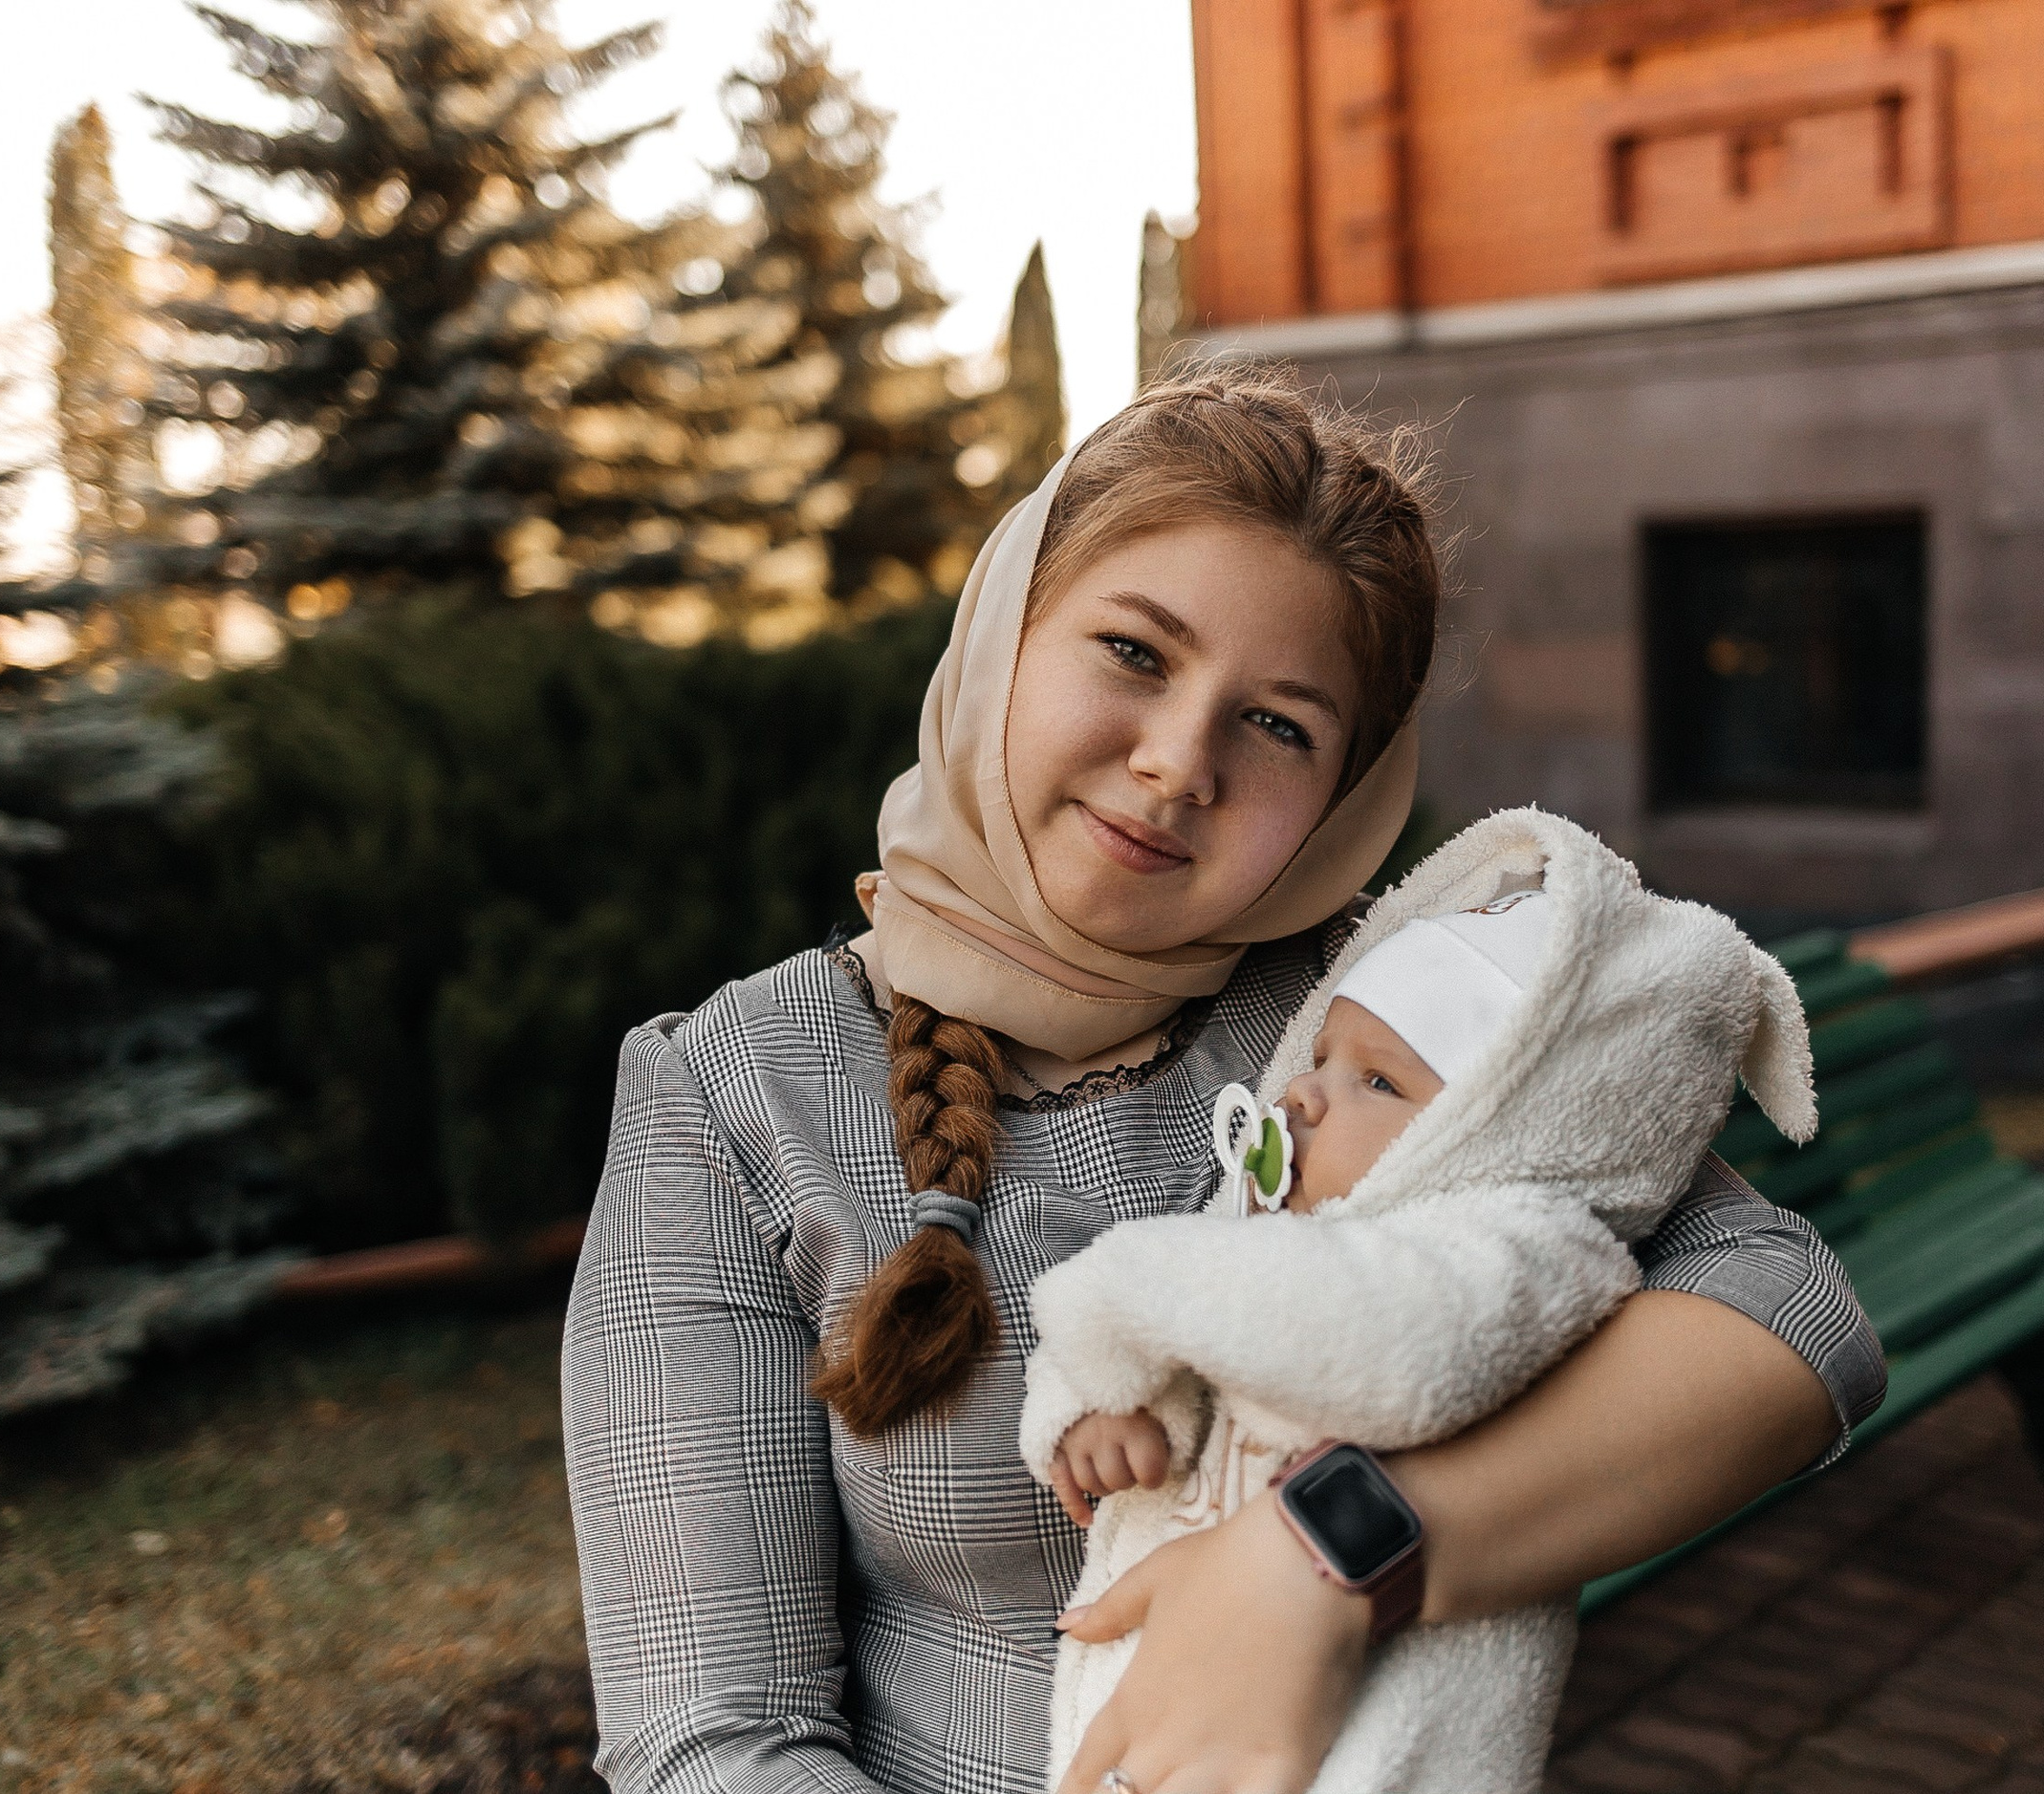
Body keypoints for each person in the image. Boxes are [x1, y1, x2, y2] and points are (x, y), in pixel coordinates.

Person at [560, 370, 1886, 1794]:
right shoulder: (731, 1090)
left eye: (1278, 726)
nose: (1177, 761)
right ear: (1005, 637)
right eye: (1135, 652)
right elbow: (714, 1740)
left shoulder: (1377, 1019)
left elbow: (1795, 1322)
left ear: (1345, 795)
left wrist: (1334, 1554)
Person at [1021, 811, 1818, 1793]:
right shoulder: (1295, 1233)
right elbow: (1221, 1342)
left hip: (1383, 1740)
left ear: (1498, 1128)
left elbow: (1382, 1353)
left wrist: (1116, 1297)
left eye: (1377, 1080)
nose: (1303, 1098)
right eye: (1319, 1059)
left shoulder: (1527, 1248)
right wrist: (1103, 1399)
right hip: (1181, 1715)